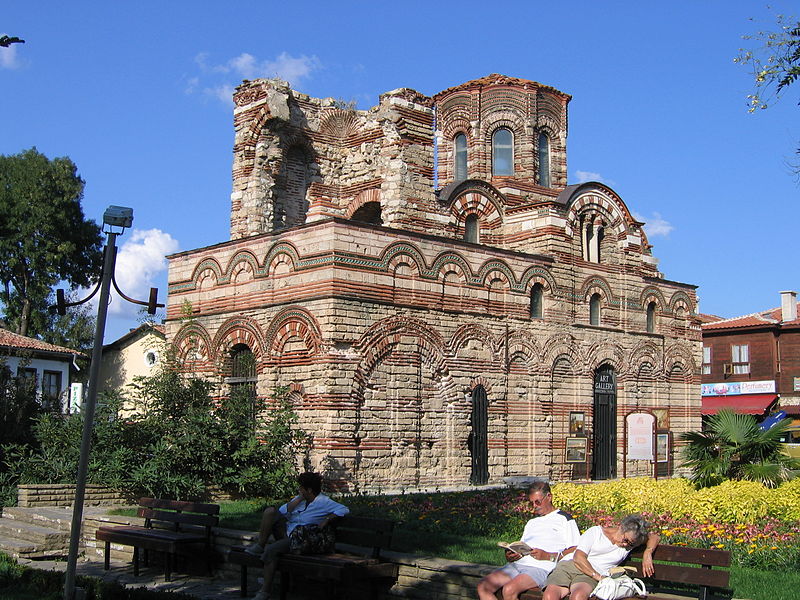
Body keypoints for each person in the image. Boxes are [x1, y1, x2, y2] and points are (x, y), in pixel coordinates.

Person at [244, 471, 349, 600]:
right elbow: (282, 511)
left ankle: (264, 591)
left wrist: (327, 519)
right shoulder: (300, 500)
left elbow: (344, 509)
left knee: (272, 550)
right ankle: (260, 545)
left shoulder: (324, 502)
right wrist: (299, 498)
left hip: (300, 539)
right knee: (270, 512)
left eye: (301, 488)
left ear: (309, 490)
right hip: (287, 533)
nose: (299, 490)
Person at [477, 481, 580, 600]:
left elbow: (576, 548)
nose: (535, 506)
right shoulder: (532, 522)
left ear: (549, 497)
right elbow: (522, 545)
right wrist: (512, 554)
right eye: (531, 503)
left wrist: (548, 556)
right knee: (483, 586)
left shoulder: (564, 519)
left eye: (537, 502)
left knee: (509, 590)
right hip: (518, 564)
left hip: (541, 567)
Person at [542, 514, 660, 600]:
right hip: (572, 566)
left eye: (631, 544)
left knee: (578, 596)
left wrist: (647, 552)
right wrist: (598, 576)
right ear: (622, 527)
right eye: (625, 540)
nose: (625, 545)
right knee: (550, 595)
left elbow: (654, 537)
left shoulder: (630, 543)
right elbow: (579, 557)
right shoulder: (596, 532)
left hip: (591, 576)